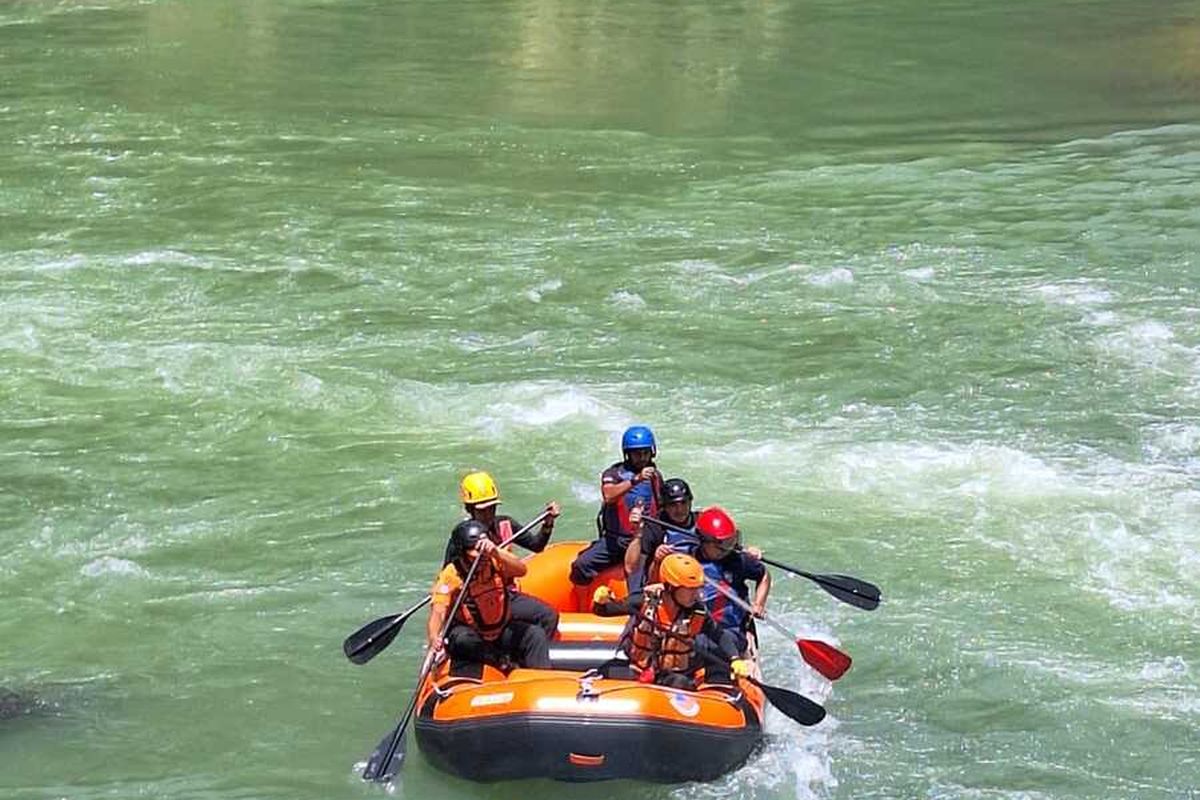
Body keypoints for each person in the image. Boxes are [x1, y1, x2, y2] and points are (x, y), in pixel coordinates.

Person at [592, 553, 749, 689]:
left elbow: (719, 635)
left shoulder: (697, 612)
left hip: (673, 676)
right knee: (607, 671)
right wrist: (600, 601)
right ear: (671, 587)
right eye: (690, 589)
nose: (696, 595)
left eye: (697, 588)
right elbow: (605, 610)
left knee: (680, 683)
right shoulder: (644, 600)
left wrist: (735, 659)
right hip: (639, 669)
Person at [445, 471, 561, 637]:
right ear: (470, 509)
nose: (488, 515)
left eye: (491, 508)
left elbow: (537, 546)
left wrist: (548, 523)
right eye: (482, 511)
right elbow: (447, 577)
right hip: (477, 600)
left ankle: (530, 657)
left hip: (505, 594)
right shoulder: (462, 537)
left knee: (548, 617)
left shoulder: (505, 523)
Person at [428, 519, 551, 672]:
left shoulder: (493, 558)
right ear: (462, 553)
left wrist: (495, 552)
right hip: (474, 635)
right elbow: (438, 612)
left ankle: (540, 677)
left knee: (535, 634)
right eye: (474, 554)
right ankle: (501, 663)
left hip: (500, 630)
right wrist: (434, 636)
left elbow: (521, 570)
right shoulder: (451, 575)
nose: (481, 558)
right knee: (461, 640)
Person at [569, 425, 663, 586]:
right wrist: (636, 480)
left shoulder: (655, 476)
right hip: (616, 540)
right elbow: (608, 495)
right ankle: (588, 595)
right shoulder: (614, 474)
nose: (642, 457)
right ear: (628, 454)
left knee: (638, 582)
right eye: (637, 454)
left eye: (645, 453)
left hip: (643, 540)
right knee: (580, 566)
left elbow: (662, 506)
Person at [692, 506, 770, 656]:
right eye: (722, 547)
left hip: (730, 630)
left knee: (720, 648)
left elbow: (764, 574)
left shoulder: (739, 561)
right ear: (704, 541)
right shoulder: (688, 558)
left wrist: (759, 604)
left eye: (730, 543)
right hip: (698, 628)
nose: (727, 550)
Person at [623, 477, 699, 595]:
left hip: (697, 581)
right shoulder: (654, 527)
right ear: (664, 506)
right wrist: (657, 560)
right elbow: (630, 568)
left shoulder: (701, 522)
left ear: (690, 502)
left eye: (683, 503)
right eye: (673, 505)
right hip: (666, 585)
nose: (679, 510)